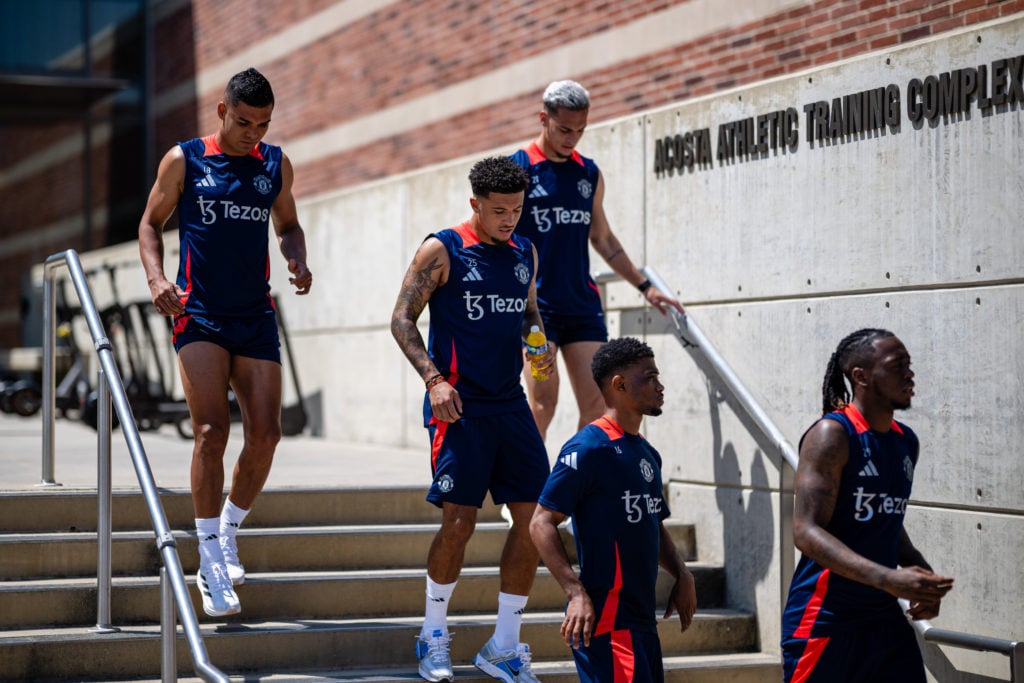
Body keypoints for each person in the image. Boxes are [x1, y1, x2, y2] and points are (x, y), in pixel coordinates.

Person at [138, 67, 312, 618]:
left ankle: (230, 528)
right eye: (243, 122)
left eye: (262, 124)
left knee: (266, 435)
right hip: (200, 314)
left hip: (255, 314)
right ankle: (209, 554)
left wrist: (296, 256)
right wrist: (157, 280)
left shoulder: (273, 163)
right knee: (212, 431)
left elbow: (287, 224)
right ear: (221, 111)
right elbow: (149, 224)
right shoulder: (184, 159)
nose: (252, 134)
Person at [391, 156, 552, 683]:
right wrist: (435, 381)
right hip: (458, 406)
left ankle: (504, 646)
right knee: (459, 523)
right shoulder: (443, 248)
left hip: (511, 405)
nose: (510, 219)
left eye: (518, 209)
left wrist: (537, 344)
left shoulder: (526, 250)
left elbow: (528, 310)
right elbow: (401, 319)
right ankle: (432, 633)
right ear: (475, 205)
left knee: (535, 522)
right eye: (499, 210)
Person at [510, 80, 685, 441]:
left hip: (581, 306)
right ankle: (522, 495)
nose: (572, 138)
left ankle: (565, 489)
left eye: (580, 130)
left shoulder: (588, 173)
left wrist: (646, 287)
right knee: (544, 402)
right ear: (543, 118)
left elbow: (602, 237)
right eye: (563, 129)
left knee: (596, 405)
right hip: (535, 309)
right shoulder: (520, 169)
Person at [781, 328, 954, 682]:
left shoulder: (906, 442)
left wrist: (921, 574)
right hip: (825, 620)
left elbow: (887, 520)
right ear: (860, 376)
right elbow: (806, 531)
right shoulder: (832, 434)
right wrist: (889, 578)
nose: (910, 373)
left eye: (910, 364)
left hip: (883, 620)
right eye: (898, 365)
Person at [530, 337, 697, 683]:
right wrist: (575, 593)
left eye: (658, 376)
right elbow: (541, 522)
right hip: (607, 624)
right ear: (619, 385)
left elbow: (653, 521)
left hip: (641, 623)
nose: (660, 386)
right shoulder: (589, 447)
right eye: (649, 377)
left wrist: (681, 573)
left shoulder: (647, 453)